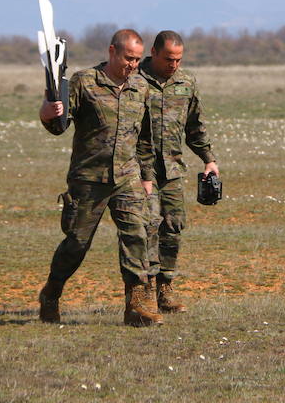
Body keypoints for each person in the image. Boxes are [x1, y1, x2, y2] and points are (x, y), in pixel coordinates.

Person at [37, 29, 162, 327]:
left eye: (137, 59)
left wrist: (146, 177)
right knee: (77, 243)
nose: (133, 64)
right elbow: (58, 126)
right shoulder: (84, 81)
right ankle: (51, 293)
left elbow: (144, 137)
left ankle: (136, 306)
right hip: (88, 179)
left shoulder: (141, 87)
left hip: (127, 177)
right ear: (112, 51)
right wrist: (46, 113)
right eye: (128, 58)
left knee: (136, 236)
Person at [138, 30, 218, 313]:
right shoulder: (134, 79)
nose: (174, 65)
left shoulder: (186, 82)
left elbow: (195, 125)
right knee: (148, 227)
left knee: (173, 226)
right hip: (141, 170)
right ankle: (146, 289)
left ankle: (165, 288)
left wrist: (208, 159)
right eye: (168, 59)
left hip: (172, 169)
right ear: (154, 53)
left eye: (178, 60)